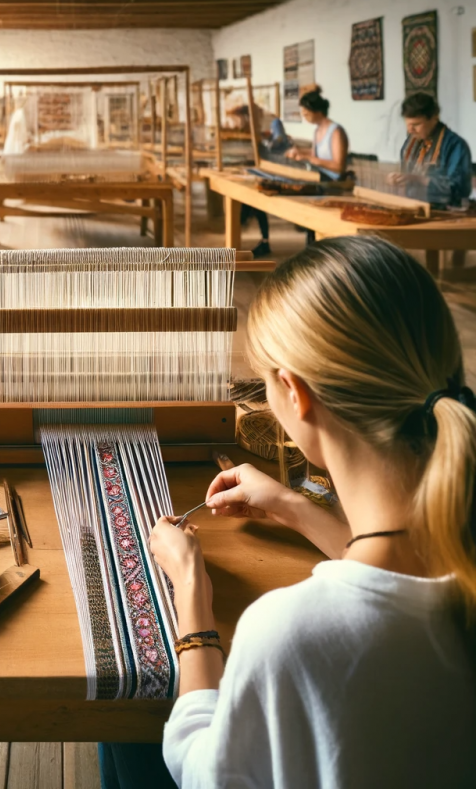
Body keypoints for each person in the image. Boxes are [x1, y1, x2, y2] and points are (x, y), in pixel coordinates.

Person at [147, 236, 476, 788]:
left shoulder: (291, 635)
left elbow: (204, 771)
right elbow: (397, 586)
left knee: (122, 738)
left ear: (295, 395)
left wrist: (191, 595)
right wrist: (296, 510)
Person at [388, 92, 473, 208]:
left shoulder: (455, 145)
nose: (410, 130)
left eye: (416, 124)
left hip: (446, 214)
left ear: (434, 118)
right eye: (407, 124)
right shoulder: (410, 143)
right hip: (413, 208)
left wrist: (419, 179)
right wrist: (397, 179)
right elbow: (406, 177)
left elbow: (459, 189)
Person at [229, 105, 292, 257]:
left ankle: (262, 241)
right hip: (263, 167)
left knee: (255, 205)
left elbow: (279, 141)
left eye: (239, 118)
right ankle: (262, 240)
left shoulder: (272, 122)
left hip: (275, 168)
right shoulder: (255, 124)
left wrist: (265, 138)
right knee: (254, 205)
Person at [285, 87, 349, 180]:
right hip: (318, 175)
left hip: (332, 180)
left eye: (306, 112)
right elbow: (317, 154)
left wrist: (308, 158)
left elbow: (339, 167)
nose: (304, 115)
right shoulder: (317, 131)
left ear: (318, 111)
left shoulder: (336, 132)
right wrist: (299, 151)